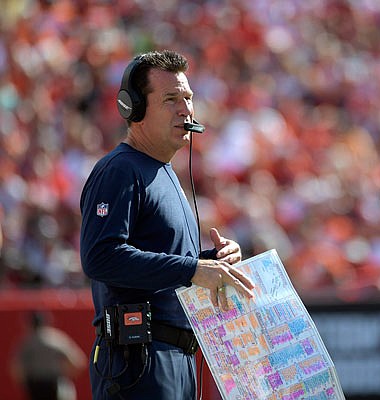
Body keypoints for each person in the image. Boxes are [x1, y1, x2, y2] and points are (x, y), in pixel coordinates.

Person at [79, 49, 255, 399]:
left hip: (178, 357)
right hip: (140, 359)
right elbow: (100, 257)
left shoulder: (163, 172)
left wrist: (212, 262)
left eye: (188, 98)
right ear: (135, 109)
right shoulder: (120, 170)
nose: (186, 110)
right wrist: (193, 269)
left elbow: (164, 259)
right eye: (171, 99)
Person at [11, 311, 87, 400]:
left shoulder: (27, 342)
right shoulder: (56, 338)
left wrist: (26, 383)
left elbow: (16, 368)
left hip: (35, 386)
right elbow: (78, 361)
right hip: (55, 384)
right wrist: (66, 376)